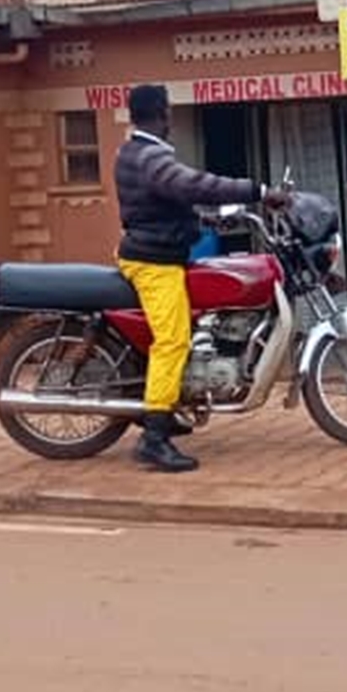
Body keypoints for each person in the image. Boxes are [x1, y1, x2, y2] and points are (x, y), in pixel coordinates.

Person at [116, 84, 284, 473]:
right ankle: (154, 438)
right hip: (155, 263)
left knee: (186, 331)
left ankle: (167, 403)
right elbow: (192, 185)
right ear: (161, 113)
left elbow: (166, 202)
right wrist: (256, 190)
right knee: (172, 341)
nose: (171, 116)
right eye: (169, 109)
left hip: (158, 250)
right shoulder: (151, 156)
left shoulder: (134, 151)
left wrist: (210, 219)